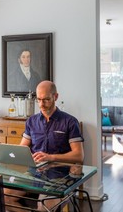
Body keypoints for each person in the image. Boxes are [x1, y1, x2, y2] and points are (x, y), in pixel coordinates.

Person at [5, 80, 84, 211]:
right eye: (39, 99)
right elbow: (22, 148)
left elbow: (79, 155)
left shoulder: (70, 122)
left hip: (61, 175)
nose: (41, 104)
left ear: (56, 97)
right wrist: (20, 154)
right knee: (5, 196)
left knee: (44, 206)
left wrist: (50, 157)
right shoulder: (31, 121)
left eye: (46, 99)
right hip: (33, 173)